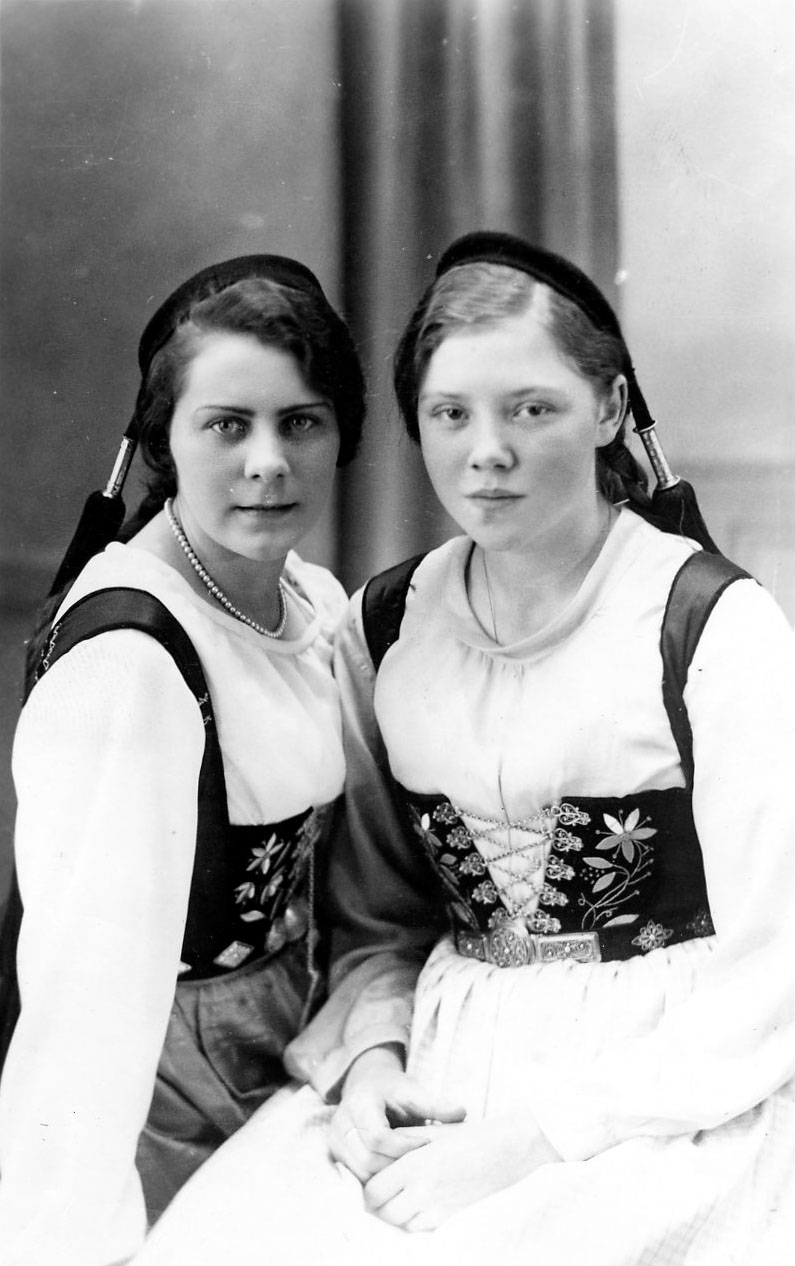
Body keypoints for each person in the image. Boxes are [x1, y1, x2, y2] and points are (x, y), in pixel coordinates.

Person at [132, 231, 795, 1266]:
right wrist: (371, 1062)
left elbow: (778, 963)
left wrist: (531, 1140)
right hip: (442, 1055)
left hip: (665, 1084)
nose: (487, 452)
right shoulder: (388, 623)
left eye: (531, 409)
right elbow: (378, 919)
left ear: (609, 408)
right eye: (451, 415)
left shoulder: (710, 625)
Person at [0, 253, 366, 1266]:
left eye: (302, 423)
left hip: (294, 1039)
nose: (268, 462)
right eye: (226, 425)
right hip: (163, 1091)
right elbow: (87, 996)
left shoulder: (307, 600)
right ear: (166, 438)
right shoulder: (132, 658)